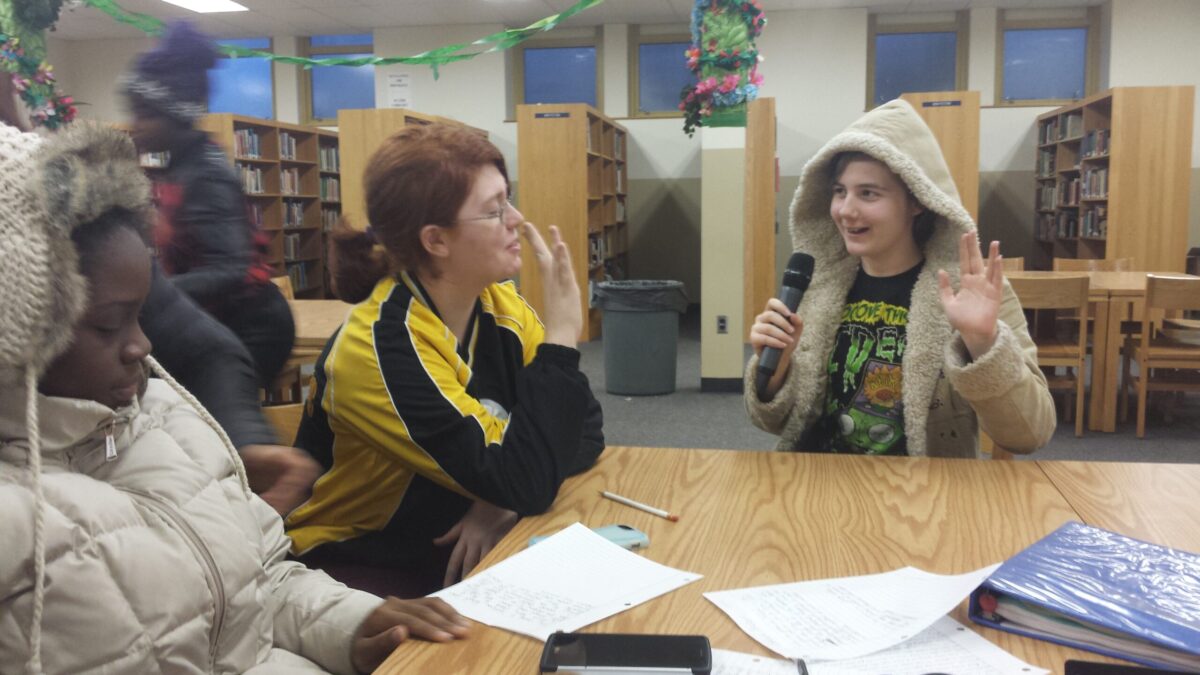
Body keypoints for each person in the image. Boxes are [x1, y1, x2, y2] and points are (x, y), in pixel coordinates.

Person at [0, 122, 470, 674]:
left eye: (142, 314)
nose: (144, 345)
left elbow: (264, 579)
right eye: (109, 325)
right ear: (19, 329)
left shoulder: (168, 418)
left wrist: (354, 624)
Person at [286, 123, 605, 596]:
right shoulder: (375, 351)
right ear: (435, 240)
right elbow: (531, 473)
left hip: (465, 542)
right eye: (494, 211)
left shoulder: (502, 305)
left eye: (508, 200)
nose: (515, 218)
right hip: (356, 566)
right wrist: (560, 335)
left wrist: (499, 499)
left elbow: (586, 429)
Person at [0, 76, 319, 518]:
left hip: (249, 321)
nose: (137, 125)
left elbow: (206, 347)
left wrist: (243, 442)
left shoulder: (72, 235)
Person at [745, 99, 1055, 457]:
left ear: (917, 200)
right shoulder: (817, 288)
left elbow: (1030, 434)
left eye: (868, 193)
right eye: (839, 191)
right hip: (821, 488)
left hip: (923, 497)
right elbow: (774, 423)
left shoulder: (973, 293)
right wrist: (778, 372)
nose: (846, 210)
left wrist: (983, 343)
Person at [120, 21, 295, 388]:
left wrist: (149, 291)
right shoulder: (179, 166)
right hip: (217, 320)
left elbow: (230, 268)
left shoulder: (205, 174)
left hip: (252, 328)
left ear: (175, 114)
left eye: (145, 114)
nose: (134, 126)